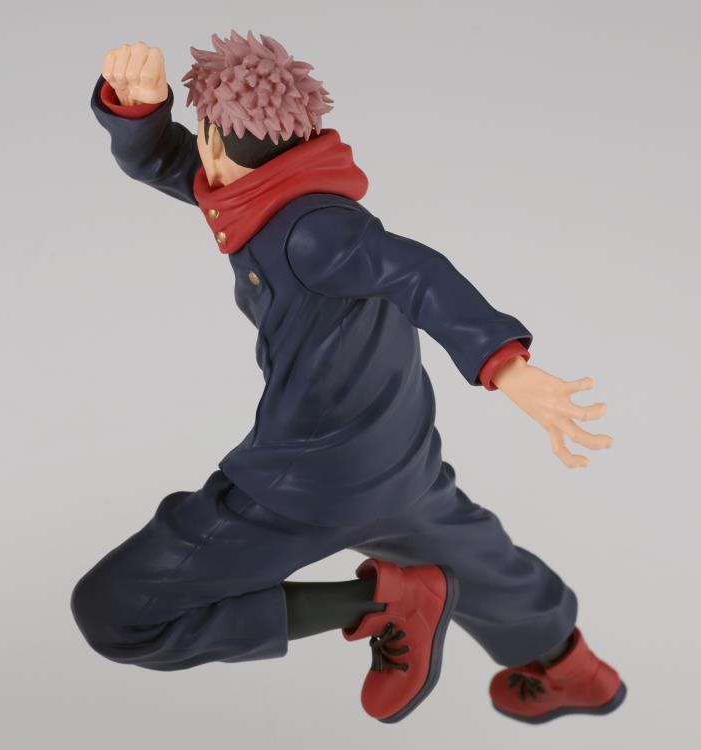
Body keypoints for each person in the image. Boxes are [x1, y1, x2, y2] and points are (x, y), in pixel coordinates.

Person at [71, 31, 625, 725]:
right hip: (397, 460)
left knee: (115, 613)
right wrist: (138, 112)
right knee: (482, 562)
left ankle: (386, 604)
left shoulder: (314, 233)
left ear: (217, 142)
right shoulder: (271, 189)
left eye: (202, 134)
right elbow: (171, 163)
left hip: (305, 482)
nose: (200, 156)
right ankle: (575, 672)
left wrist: (505, 366)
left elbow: (420, 274)